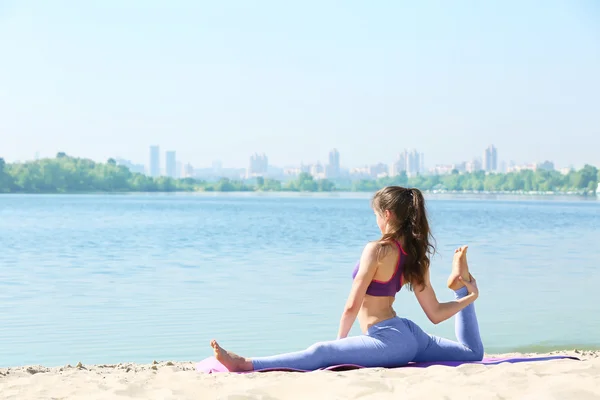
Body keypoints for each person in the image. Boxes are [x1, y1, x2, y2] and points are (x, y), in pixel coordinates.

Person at [210, 186, 484, 371]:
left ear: (386, 215)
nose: (376, 220)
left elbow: (352, 305)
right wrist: (469, 297)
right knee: (472, 353)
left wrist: (338, 344)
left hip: (388, 341)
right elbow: (435, 314)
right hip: (410, 334)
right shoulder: (415, 255)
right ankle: (460, 286)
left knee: (322, 352)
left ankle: (246, 364)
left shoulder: (376, 250)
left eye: (376, 214)